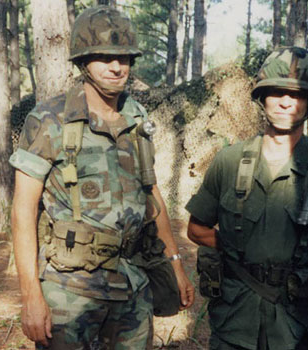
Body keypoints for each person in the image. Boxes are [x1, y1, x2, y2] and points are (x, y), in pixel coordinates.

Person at [10, 6, 194, 350]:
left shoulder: (136, 117)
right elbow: (23, 209)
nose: (116, 66)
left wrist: (175, 265)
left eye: (124, 57)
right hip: (69, 291)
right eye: (104, 57)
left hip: (132, 284)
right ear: (83, 62)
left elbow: (151, 196)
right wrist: (31, 297)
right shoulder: (50, 119)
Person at [186, 47, 308, 350]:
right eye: (277, 92)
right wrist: (238, 250)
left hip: (302, 325)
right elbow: (196, 229)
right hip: (236, 322)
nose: (286, 102)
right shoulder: (229, 161)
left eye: (297, 94)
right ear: (262, 98)